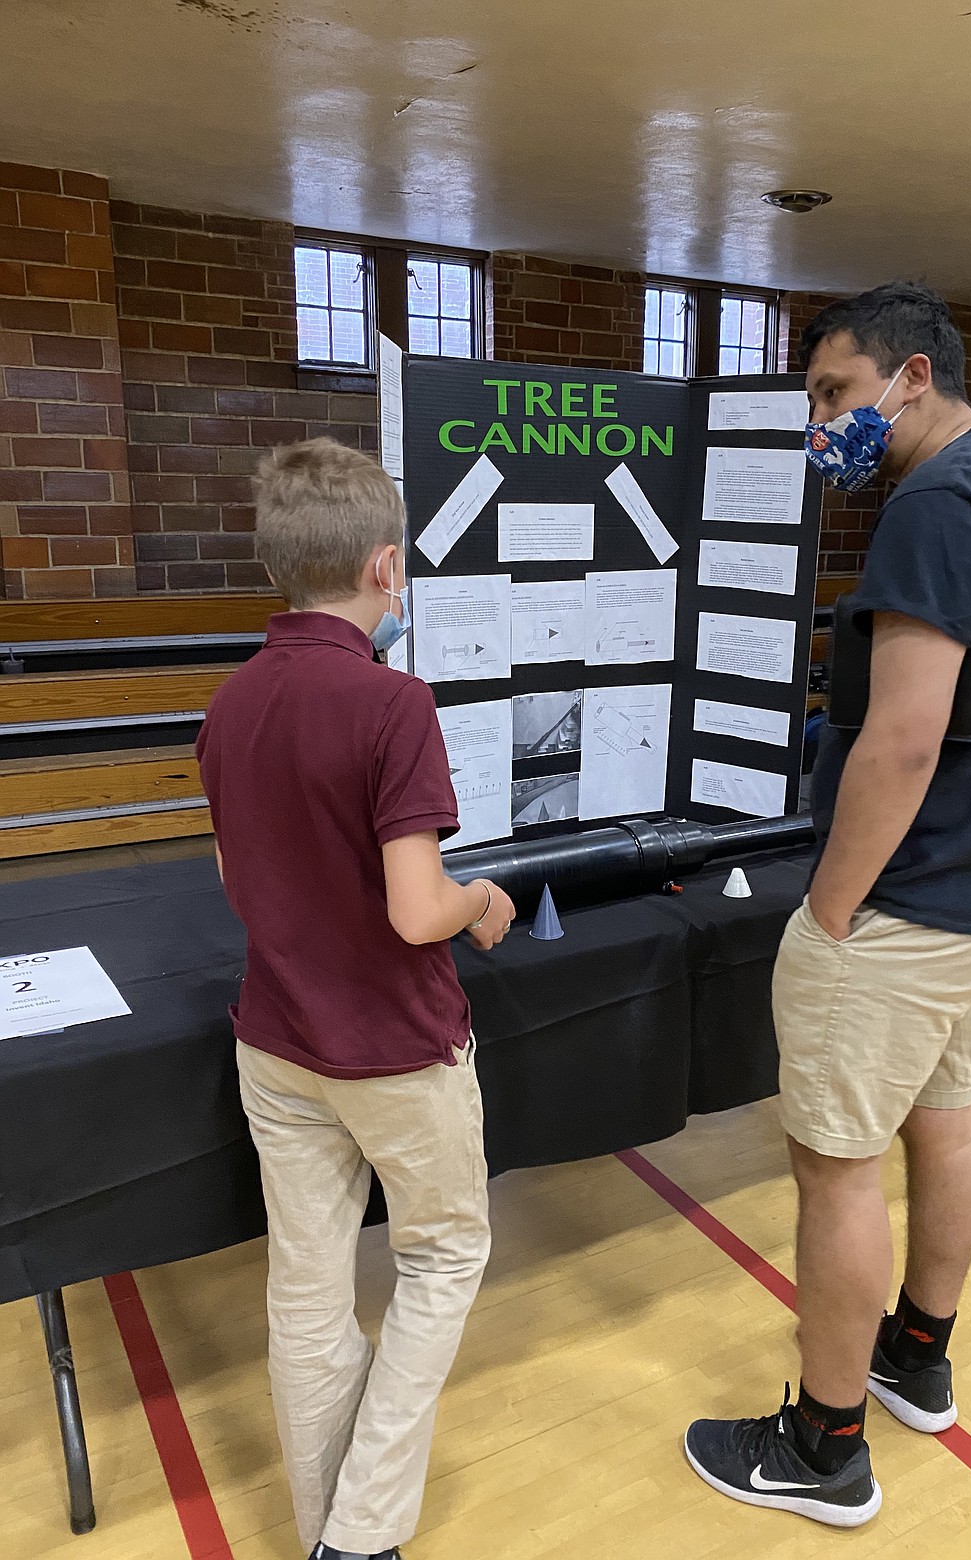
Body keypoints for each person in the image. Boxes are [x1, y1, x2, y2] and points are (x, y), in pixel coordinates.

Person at [684, 283, 971, 1527]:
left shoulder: (939, 501)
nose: (820, 424)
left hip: (905, 908)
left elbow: (902, 741)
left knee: (836, 1164)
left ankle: (824, 1444)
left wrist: (833, 912)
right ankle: (918, 1355)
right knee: (945, 1120)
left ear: (913, 378)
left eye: (834, 394)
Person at [196, 438, 515, 1560]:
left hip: (276, 1046)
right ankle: (362, 1532)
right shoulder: (392, 704)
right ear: (387, 565)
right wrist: (480, 897)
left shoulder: (229, 706)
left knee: (309, 1287)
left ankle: (322, 1524)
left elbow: (243, 882)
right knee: (442, 1259)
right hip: (392, 1050)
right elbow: (413, 910)